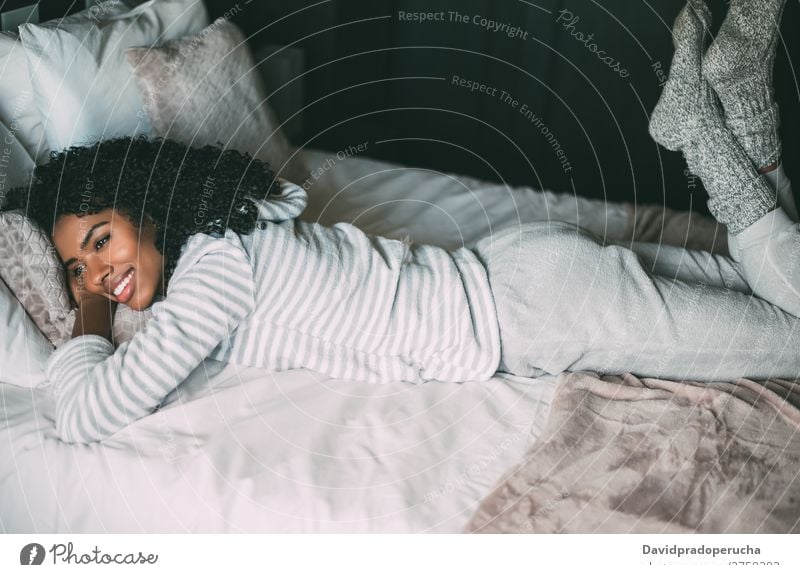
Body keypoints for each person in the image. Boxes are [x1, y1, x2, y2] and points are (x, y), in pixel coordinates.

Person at [8, 0, 800, 445]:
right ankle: (743, 132)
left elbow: (83, 412)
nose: (95, 274)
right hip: (520, 271)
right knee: (772, 294)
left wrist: (90, 315)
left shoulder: (213, 278)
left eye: (99, 240)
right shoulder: (244, 220)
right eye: (76, 267)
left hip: (532, 311)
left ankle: (716, 140)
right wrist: (102, 282)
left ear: (148, 209)